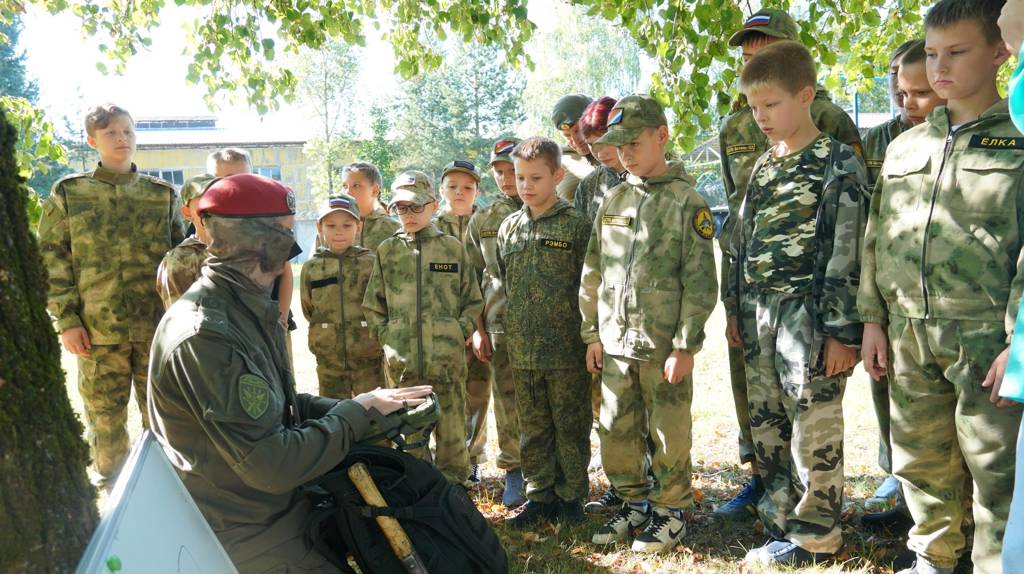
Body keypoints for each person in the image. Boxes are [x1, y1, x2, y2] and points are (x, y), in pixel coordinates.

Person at [146, 173, 432, 571]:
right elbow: (273, 463)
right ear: (252, 241)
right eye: (283, 233)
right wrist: (353, 415)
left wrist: (364, 407)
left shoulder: (240, 306)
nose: (291, 248)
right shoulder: (207, 334)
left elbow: (276, 405)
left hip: (274, 507)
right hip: (243, 529)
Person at [859, 1, 1023, 572]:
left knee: (995, 468)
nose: (939, 68)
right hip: (908, 333)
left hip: (986, 339)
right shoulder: (905, 147)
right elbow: (875, 237)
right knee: (921, 462)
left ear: (1000, 51)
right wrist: (874, 321)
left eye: (957, 52)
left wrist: (1017, 347)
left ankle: (996, 564)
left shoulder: (1020, 138)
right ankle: (933, 556)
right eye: (931, 54)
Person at [714, 7, 865, 522]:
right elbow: (741, 241)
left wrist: (842, 331)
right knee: (768, 424)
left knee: (813, 428)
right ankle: (780, 519)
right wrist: (734, 308)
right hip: (761, 317)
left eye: (770, 105)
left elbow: (845, 250)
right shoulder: (762, 165)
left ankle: (816, 530)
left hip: (810, 317)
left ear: (806, 97)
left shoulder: (836, 161)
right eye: (754, 106)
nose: (760, 117)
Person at [580, 95, 717, 553]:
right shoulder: (615, 198)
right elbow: (594, 270)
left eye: (635, 143)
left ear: (661, 136)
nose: (626, 155)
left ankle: (669, 510)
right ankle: (632, 501)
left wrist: (685, 345)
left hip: (662, 347)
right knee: (616, 426)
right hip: (615, 342)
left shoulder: (686, 201)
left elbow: (700, 281)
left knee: (667, 430)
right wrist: (591, 333)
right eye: (619, 147)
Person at [37, 103, 185, 488]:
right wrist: (67, 320)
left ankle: (166, 488)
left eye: (128, 132)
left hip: (157, 330)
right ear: (92, 140)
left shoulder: (162, 195)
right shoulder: (70, 193)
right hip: (97, 331)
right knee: (104, 418)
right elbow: (51, 258)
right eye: (111, 133)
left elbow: (182, 260)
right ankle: (115, 489)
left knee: (164, 413)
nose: (122, 139)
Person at [862, 39, 949, 522]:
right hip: (898, 311)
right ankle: (899, 484)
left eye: (916, 88)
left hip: (963, 317)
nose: (905, 98)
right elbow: (874, 229)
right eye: (899, 88)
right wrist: (870, 313)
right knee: (899, 409)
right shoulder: (888, 143)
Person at [362, 171, 484, 486]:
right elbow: (374, 304)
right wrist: (388, 337)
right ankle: (417, 495)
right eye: (402, 208)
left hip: (446, 361)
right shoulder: (388, 251)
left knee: (452, 434)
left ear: (432, 205)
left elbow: (472, 299)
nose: (409, 215)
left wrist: (458, 330)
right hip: (403, 366)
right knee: (408, 437)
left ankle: (455, 494)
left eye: (416, 207)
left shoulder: (452, 249)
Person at [496, 137, 593, 529]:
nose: (526, 186)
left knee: (570, 424)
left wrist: (589, 338)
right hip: (523, 349)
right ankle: (540, 496)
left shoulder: (576, 225)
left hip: (567, 348)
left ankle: (572, 497)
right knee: (533, 427)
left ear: (557, 175)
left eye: (536, 177)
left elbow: (589, 284)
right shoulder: (509, 227)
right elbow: (505, 282)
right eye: (520, 177)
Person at [464, 138, 526, 508]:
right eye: (499, 172)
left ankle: (552, 471)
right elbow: (471, 279)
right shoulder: (484, 219)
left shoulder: (551, 210)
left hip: (546, 324)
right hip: (499, 322)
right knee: (507, 399)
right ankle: (515, 470)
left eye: (511, 171)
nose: (506, 180)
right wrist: (478, 328)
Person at [207, 148, 298, 362]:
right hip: (229, 328)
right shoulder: (206, 224)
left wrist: (282, 319)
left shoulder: (270, 222)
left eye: (243, 178)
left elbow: (285, 273)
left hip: (272, 320)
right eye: (226, 179)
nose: (236, 186)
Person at [434, 160, 492, 485]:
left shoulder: (486, 225)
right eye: (453, 186)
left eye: (468, 187)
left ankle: (472, 458)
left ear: (477, 192)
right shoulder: (431, 228)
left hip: (482, 327)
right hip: (443, 330)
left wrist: (477, 326)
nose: (460, 192)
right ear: (442, 190)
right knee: (444, 392)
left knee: (478, 392)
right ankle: (446, 456)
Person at [300, 193, 384, 399]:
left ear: (359, 227)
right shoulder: (312, 267)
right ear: (319, 228)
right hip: (330, 362)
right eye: (331, 226)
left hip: (368, 359)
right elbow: (309, 308)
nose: (339, 232)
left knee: (375, 418)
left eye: (347, 226)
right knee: (334, 418)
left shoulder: (371, 264)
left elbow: (382, 305)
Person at [863, 40, 920, 186]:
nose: (900, 82)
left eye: (908, 72)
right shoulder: (874, 138)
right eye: (894, 73)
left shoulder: (948, 134)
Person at [156, 174, 215, 309]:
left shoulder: (242, 248)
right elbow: (181, 320)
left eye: (217, 197)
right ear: (187, 213)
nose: (212, 205)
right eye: (203, 201)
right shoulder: (179, 260)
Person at [574, 96, 628, 224]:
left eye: (607, 140)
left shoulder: (650, 173)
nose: (600, 152)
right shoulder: (587, 187)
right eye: (592, 144)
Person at [341, 162, 402, 251]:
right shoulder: (332, 226)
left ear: (374, 190)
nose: (347, 192)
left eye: (356, 185)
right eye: (344, 186)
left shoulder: (394, 230)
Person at [550, 93, 598, 202]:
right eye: (567, 136)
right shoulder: (558, 161)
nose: (576, 140)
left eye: (579, 130)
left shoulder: (616, 147)